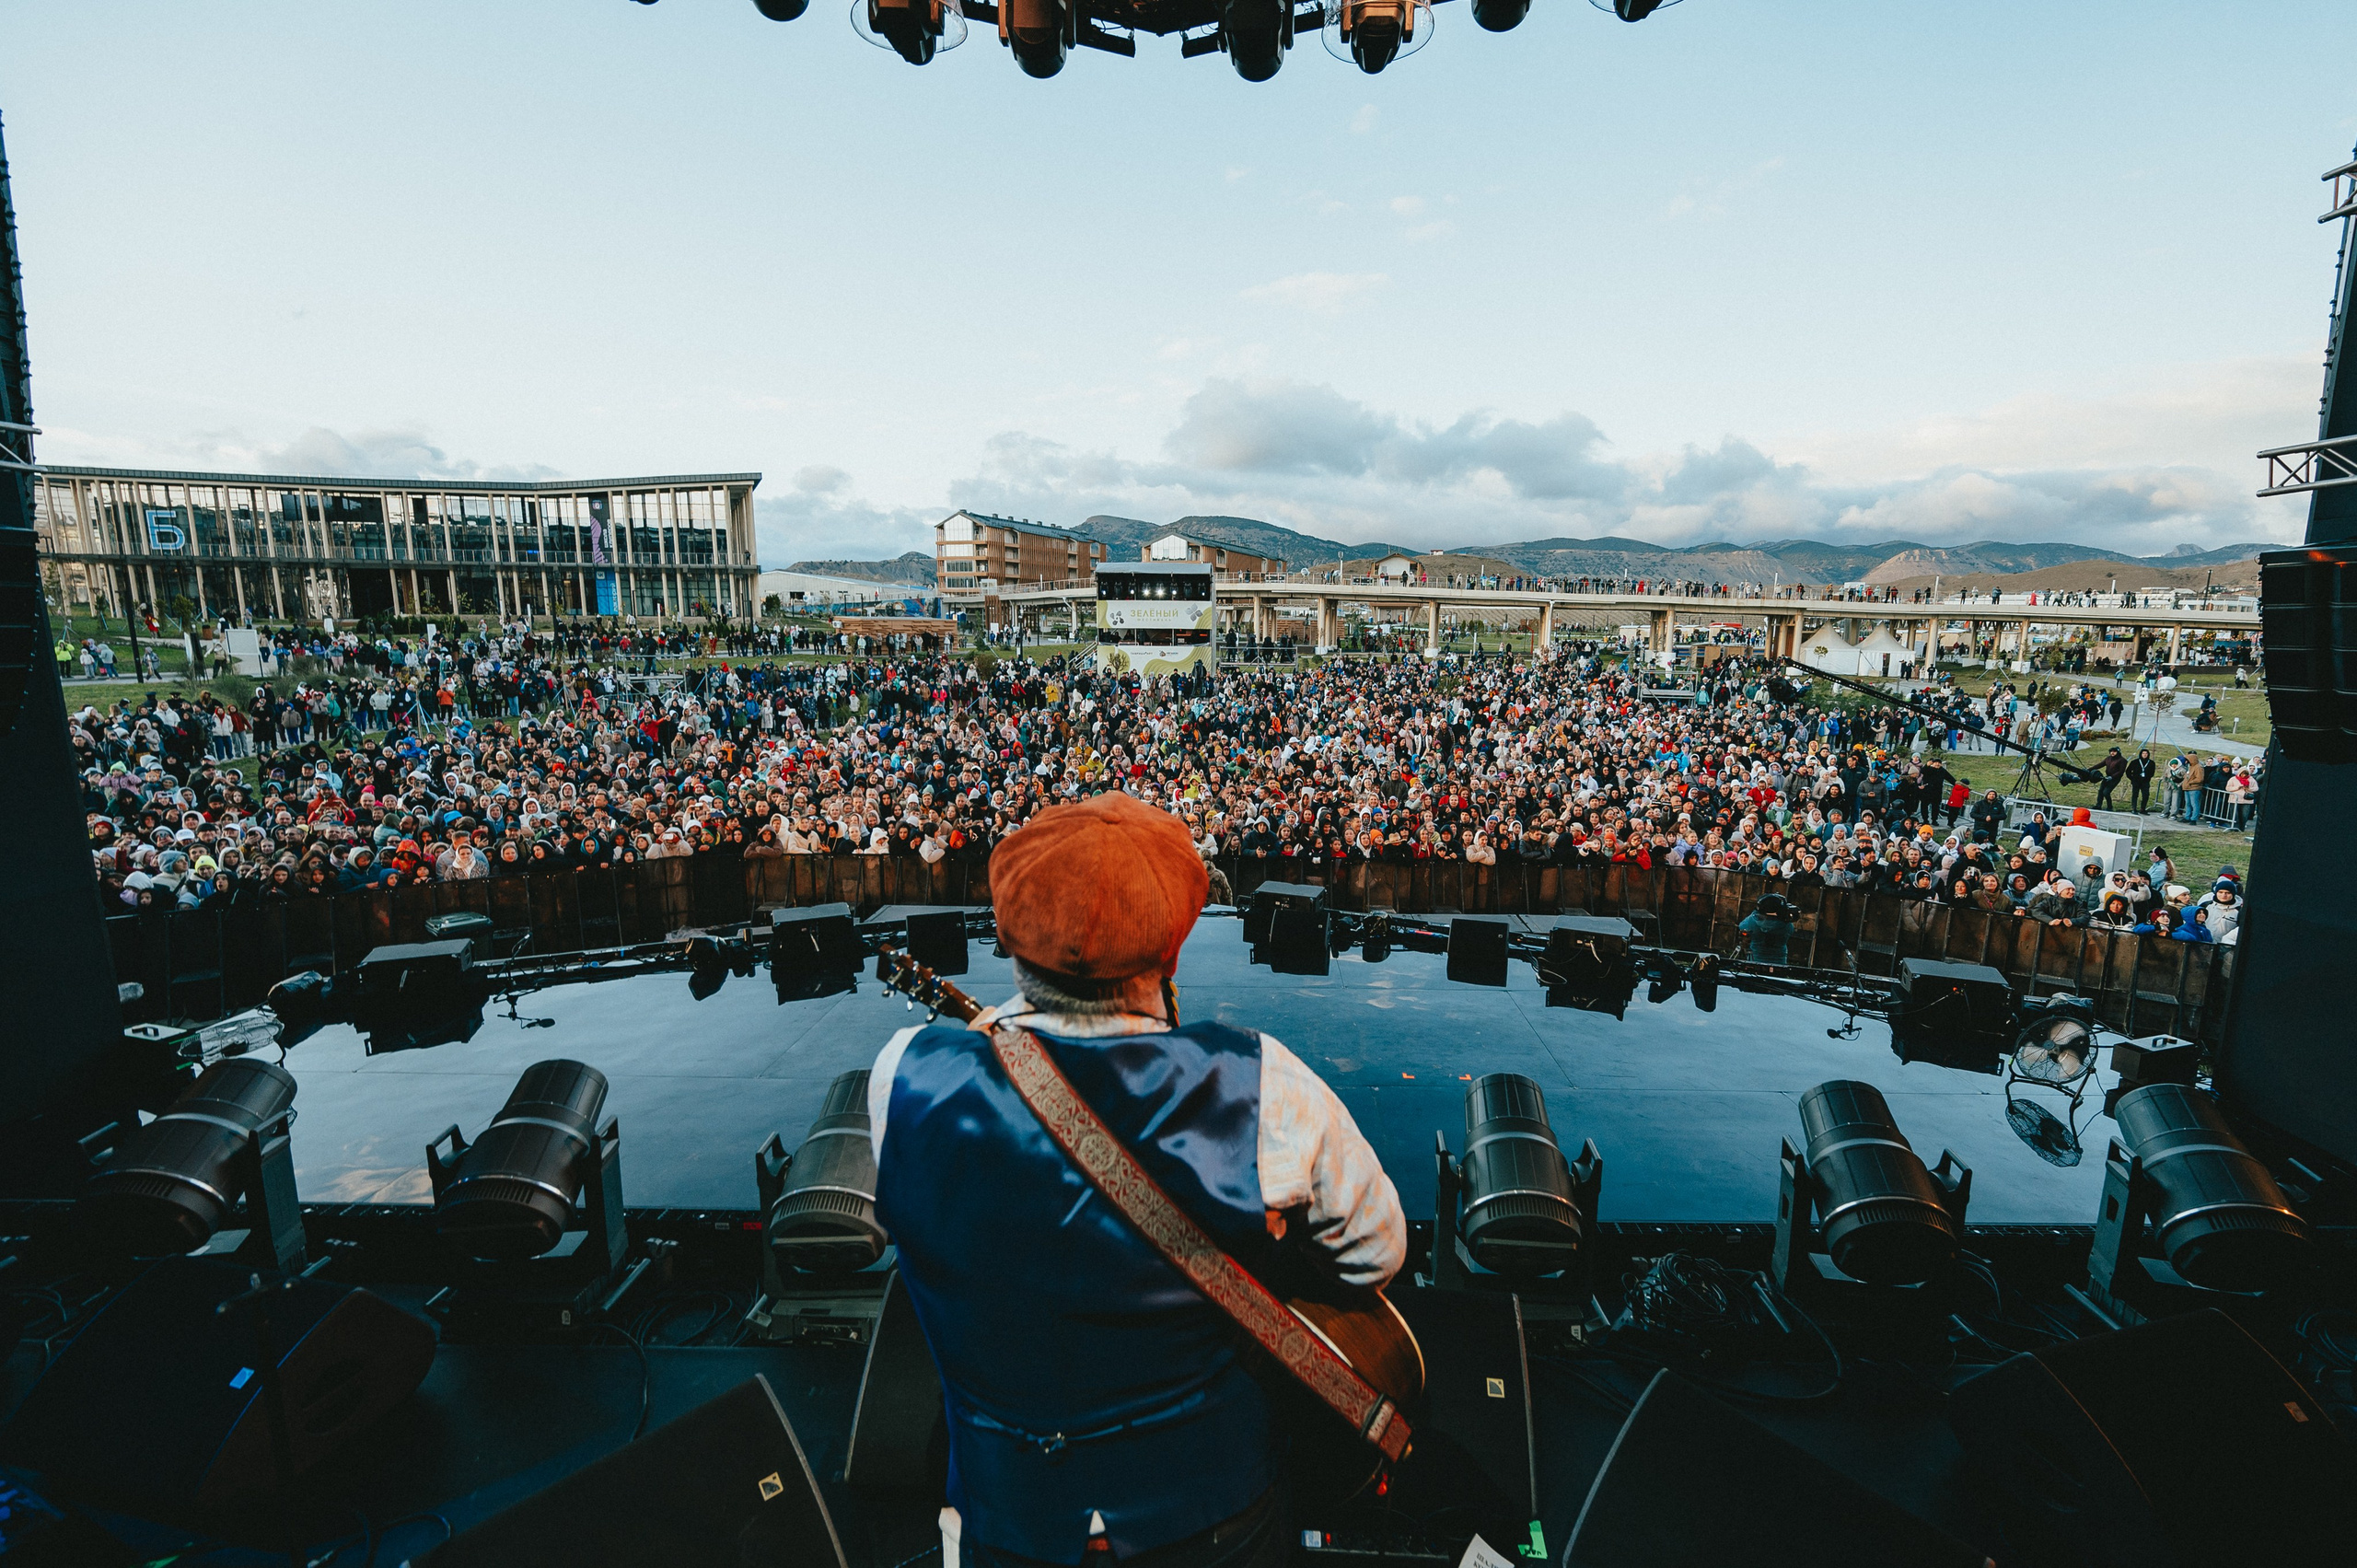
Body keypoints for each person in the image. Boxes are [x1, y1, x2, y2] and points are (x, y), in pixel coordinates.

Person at [866, 795, 1404, 1568]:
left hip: (1002, 1520)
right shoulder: (1267, 1087)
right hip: (1212, 1518)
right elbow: (1376, 1255)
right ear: (1173, 951)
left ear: (1010, 938)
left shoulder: (902, 1078)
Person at [1736, 892, 1798, 965]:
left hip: (1755, 961)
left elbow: (1742, 926)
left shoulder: (1752, 922)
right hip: (1779, 963)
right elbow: (1791, 930)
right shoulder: (1786, 925)